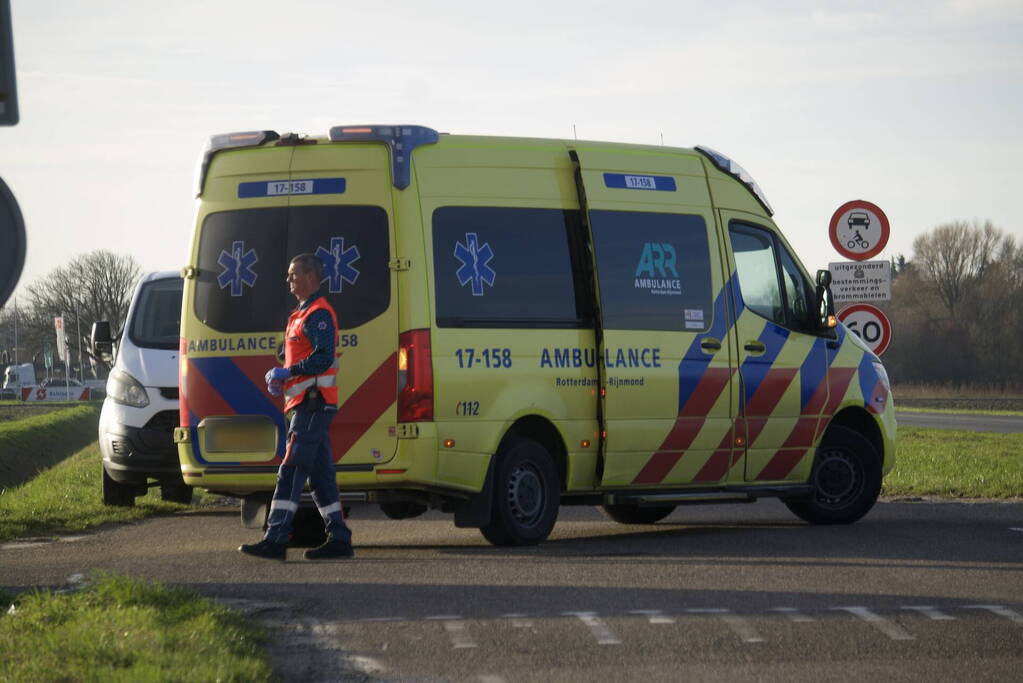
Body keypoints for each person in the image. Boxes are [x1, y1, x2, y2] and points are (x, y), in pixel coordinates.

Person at [239, 253, 354, 561]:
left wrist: (288, 373)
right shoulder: (301, 314)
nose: (288, 281)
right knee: (319, 477)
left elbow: (323, 357)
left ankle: (276, 537)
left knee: (291, 470)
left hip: (311, 405)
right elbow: (295, 354)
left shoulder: (318, 314)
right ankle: (339, 538)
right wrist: (283, 372)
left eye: (293, 275)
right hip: (303, 404)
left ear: (310, 278)